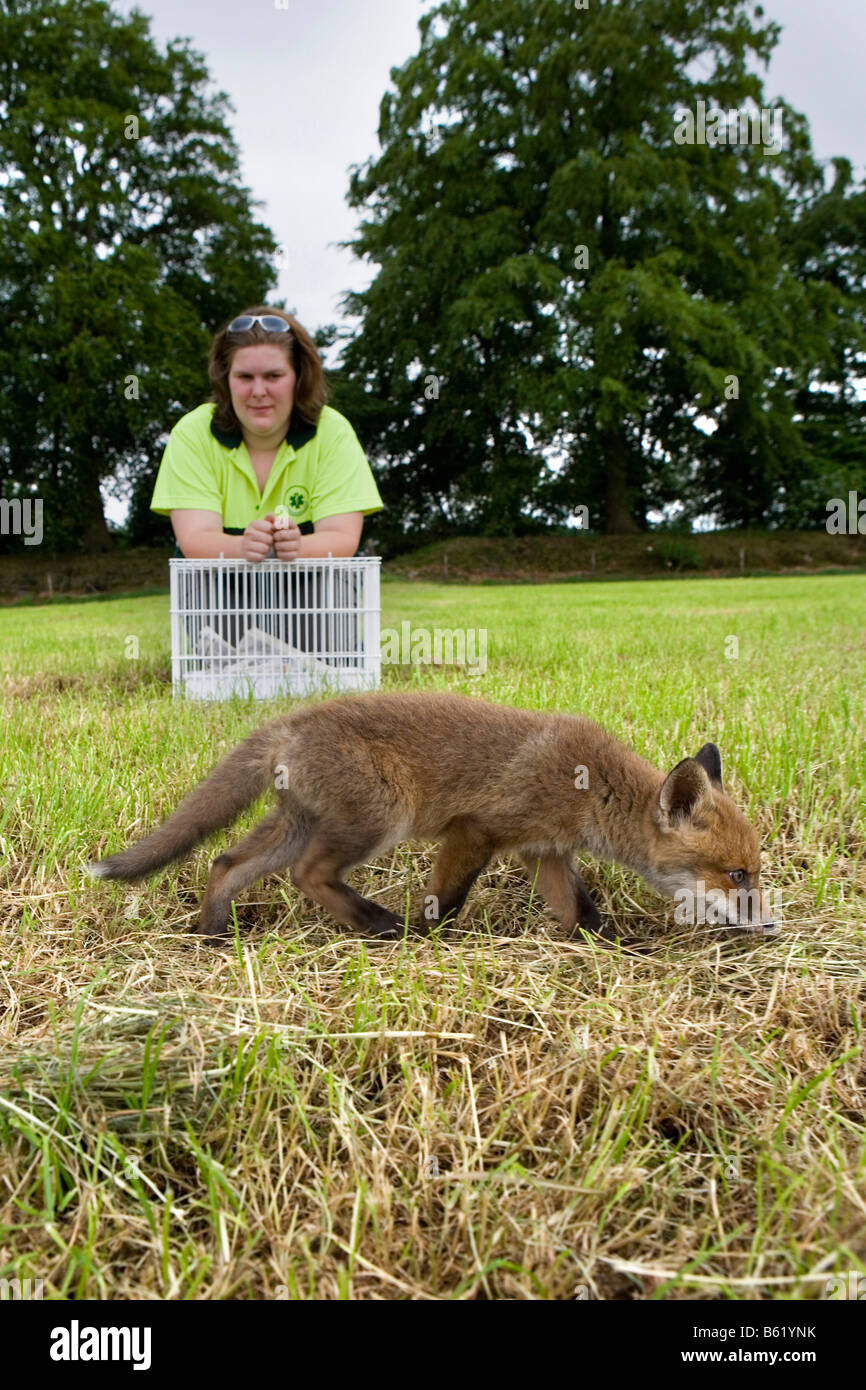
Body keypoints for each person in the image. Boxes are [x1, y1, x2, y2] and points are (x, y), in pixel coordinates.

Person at [150, 306, 384, 653]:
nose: (258, 391)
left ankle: (324, 658)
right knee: (203, 589)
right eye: (245, 377)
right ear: (225, 379)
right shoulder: (192, 433)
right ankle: (232, 665)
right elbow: (194, 539)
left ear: (299, 377)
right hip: (225, 593)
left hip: (312, 594)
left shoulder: (333, 432)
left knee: (333, 593)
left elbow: (344, 538)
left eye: (273, 376)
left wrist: (298, 547)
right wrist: (243, 547)